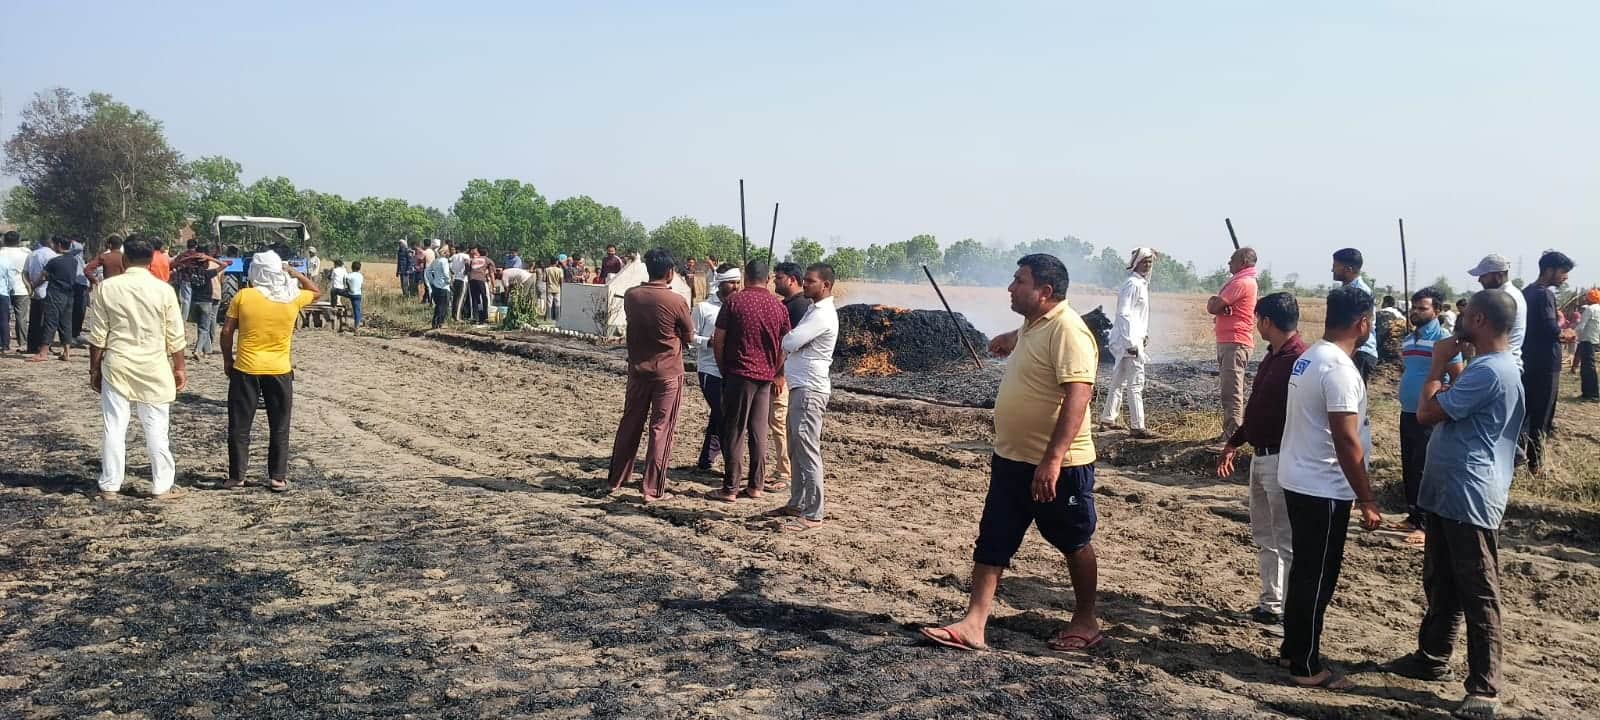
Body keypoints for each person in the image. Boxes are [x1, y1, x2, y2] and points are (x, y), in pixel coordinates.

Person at [921, 254, 1101, 653]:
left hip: (1060, 466)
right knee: (994, 539)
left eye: (1019, 281)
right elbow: (1031, 335)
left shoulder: (1070, 331)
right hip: (1011, 459)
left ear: (1045, 291)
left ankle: (1086, 619)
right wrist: (1010, 337)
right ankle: (974, 624)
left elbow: (1079, 396)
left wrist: (1052, 460)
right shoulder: (1035, 323)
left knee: (1074, 540)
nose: (1010, 287)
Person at [1384, 290, 1525, 720]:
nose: (1458, 321)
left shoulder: (1491, 372)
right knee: (1441, 581)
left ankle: (1484, 688)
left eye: (1465, 315)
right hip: (1450, 492)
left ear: (1479, 320)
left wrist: (1437, 365)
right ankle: (1432, 656)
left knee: (1478, 589)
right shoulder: (1485, 367)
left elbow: (1426, 414)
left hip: (1470, 494)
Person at [1277, 285, 1383, 691]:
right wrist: (1367, 497)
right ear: (1363, 323)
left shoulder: (1311, 357)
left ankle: (1292, 648)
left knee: (1306, 570)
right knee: (1316, 577)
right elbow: (1346, 438)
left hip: (1303, 478)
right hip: (1322, 487)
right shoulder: (1338, 369)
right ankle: (1305, 665)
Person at [1216, 292, 1309, 627]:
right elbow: (1258, 409)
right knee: (1266, 536)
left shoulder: (1299, 361)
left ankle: (1289, 613)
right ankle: (1270, 604)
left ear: (1267, 321)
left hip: (1283, 460)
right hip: (1262, 456)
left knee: (1286, 540)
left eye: (1258, 320)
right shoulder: (1274, 356)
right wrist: (1235, 442)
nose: (1256, 326)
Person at [84, 236, 188, 500]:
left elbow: (98, 337)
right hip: (154, 365)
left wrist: (94, 370)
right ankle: (162, 486)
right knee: (156, 428)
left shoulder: (107, 288)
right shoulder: (164, 290)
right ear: (152, 258)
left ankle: (109, 485)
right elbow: (175, 336)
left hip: (117, 363)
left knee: (114, 427)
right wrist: (179, 368)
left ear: (125, 258)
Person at [222, 251, 319, 492]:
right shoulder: (292, 298)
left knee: (240, 426)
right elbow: (316, 292)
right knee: (279, 425)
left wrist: (227, 360)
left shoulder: (243, 296)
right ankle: (277, 477)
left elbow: (226, 332)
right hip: (279, 370)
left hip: (246, 368)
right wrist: (295, 273)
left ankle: (237, 477)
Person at [606, 248, 693, 503]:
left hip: (637, 370)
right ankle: (652, 489)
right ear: (669, 273)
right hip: (667, 372)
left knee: (630, 422)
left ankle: (617, 479)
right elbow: (688, 335)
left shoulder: (632, 296)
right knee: (661, 429)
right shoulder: (676, 301)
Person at [764, 263, 839, 531]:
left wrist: (788, 338)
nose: (804, 284)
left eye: (810, 281)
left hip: (810, 389)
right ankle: (796, 502)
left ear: (826, 285)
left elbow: (790, 342)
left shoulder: (822, 315)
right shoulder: (812, 310)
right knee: (796, 448)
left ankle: (814, 513)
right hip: (801, 387)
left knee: (807, 450)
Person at [709, 260, 791, 503]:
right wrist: (774, 369)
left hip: (738, 375)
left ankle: (730, 487)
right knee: (759, 431)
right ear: (767, 279)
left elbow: (719, 339)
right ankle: (756, 485)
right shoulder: (779, 308)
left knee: (734, 431)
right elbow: (785, 346)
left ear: (746, 277)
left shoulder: (733, 302)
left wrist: (724, 369)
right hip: (764, 377)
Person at [1395, 287, 1463, 543]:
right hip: (1407, 411)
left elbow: (1457, 377)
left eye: (1422, 308)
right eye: (1414, 307)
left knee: (1425, 468)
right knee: (1410, 466)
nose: (1416, 312)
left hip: (1429, 414)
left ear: (1436, 311)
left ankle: (1424, 525)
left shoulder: (1444, 340)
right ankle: (1412, 515)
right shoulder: (1408, 340)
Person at [1520, 251, 1574, 473]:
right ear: (1549, 270)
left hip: (1527, 360)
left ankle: (1518, 459)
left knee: (1524, 414)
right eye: (1563, 272)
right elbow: (1551, 330)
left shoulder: (1526, 292)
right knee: (1541, 417)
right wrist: (1567, 332)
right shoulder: (1544, 295)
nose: (1565, 278)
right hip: (1545, 364)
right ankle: (1535, 466)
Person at [1099, 247, 1156, 437]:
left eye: (1150, 261)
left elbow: (1138, 316)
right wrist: (1131, 342)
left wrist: (1144, 334)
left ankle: (1107, 419)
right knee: (1136, 383)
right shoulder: (1133, 284)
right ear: (1136, 263)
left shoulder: (1140, 284)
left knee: (1118, 380)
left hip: (1131, 338)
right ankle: (1137, 426)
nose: (1147, 265)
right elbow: (1124, 314)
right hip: (1128, 341)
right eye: (1144, 261)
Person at [768, 262, 813, 491]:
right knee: (777, 423)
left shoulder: (799, 308)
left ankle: (785, 473)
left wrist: (780, 374)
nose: (775, 281)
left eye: (779, 277)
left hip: (786, 375)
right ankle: (781, 468)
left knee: (780, 422)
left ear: (792, 280)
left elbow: (790, 345)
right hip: (784, 372)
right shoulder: (787, 305)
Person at [1207, 246, 1259, 444]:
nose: (1229, 263)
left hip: (1235, 342)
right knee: (1229, 391)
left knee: (1232, 392)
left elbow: (1214, 306)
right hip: (1231, 342)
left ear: (1243, 262)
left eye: (1232, 260)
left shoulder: (1242, 282)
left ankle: (1232, 436)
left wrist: (1217, 303)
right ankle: (1229, 433)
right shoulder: (1244, 281)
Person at [693, 266, 740, 471]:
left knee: (719, 414)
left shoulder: (740, 306)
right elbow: (689, 337)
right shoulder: (703, 308)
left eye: (738, 282)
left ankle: (706, 460)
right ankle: (732, 463)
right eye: (732, 282)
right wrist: (708, 342)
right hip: (710, 369)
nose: (736, 286)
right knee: (723, 416)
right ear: (720, 283)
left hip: (732, 370)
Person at [1467, 254, 1525, 370]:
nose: (1479, 280)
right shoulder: (1512, 293)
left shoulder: (1503, 298)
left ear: (1498, 276)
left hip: (1499, 363)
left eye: (1483, 276)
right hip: (1501, 361)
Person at [1330, 248, 1380, 382]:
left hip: (1359, 351)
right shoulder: (1346, 290)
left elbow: (1359, 327)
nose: (1332, 270)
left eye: (1335, 266)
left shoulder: (1359, 292)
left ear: (1348, 269)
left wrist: (1351, 353)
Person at [29, 237, 77, 362]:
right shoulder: (73, 261)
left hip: (55, 293)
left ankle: (43, 353)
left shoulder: (54, 261)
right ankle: (67, 352)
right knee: (66, 322)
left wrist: (33, 286)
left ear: (59, 245)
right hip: (69, 294)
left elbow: (43, 277)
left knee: (50, 321)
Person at [182, 247, 227, 361]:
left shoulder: (191, 273)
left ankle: (207, 350)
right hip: (206, 303)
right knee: (204, 329)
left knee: (200, 327)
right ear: (205, 264)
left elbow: (180, 263)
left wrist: (192, 257)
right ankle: (197, 350)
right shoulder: (208, 273)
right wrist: (210, 257)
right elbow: (224, 265)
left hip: (194, 302)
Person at [24, 235, 60, 354]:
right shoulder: (53, 256)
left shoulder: (32, 254)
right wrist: (35, 284)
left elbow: (24, 273)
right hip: (47, 291)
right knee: (47, 321)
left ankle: (32, 346)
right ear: (50, 243)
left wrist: (30, 286)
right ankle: (44, 346)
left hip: (34, 292)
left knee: (34, 319)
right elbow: (47, 275)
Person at [1, 232, 29, 351]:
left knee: (3, 317)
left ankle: (4, 340)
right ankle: (22, 342)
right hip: (21, 288)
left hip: (4, 289)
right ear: (18, 241)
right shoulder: (26, 253)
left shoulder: (1, 253)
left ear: (5, 240)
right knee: (21, 317)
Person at [1574, 288, 1600, 400]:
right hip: (1594, 340)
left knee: (1587, 368)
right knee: (1590, 366)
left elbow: (1581, 326)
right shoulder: (1598, 309)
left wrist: (1572, 334)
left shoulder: (1589, 309)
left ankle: (1590, 394)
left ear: (1589, 298)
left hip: (1586, 340)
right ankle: (1590, 393)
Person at [424, 247, 453, 329]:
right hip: (443, 286)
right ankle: (440, 323)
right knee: (444, 306)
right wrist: (448, 281)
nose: (449, 253)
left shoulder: (435, 261)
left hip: (436, 286)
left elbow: (428, 271)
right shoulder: (444, 261)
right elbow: (446, 273)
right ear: (445, 253)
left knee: (438, 306)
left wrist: (432, 281)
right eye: (448, 252)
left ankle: (435, 323)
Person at [467, 247, 496, 323]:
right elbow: (491, 274)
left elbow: (468, 271)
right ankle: (484, 317)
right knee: (484, 298)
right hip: (480, 280)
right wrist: (494, 286)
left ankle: (475, 317)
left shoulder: (473, 260)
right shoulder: (488, 260)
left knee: (475, 299)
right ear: (487, 254)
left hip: (472, 280)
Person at [69, 239, 90, 344]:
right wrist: (73, 242)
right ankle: (71, 335)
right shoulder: (72, 252)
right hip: (75, 283)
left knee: (81, 310)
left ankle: (76, 333)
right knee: (74, 310)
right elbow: (79, 247)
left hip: (82, 283)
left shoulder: (79, 256)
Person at [449, 245, 471, 321]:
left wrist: (452, 272)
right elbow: (467, 264)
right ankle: (457, 317)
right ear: (467, 249)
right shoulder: (466, 256)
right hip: (463, 279)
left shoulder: (454, 256)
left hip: (455, 279)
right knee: (461, 298)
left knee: (455, 298)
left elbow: (449, 263)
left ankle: (453, 316)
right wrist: (466, 272)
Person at [345, 261, 365, 331]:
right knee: (357, 310)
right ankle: (357, 326)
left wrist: (348, 289)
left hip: (350, 293)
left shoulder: (349, 275)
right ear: (359, 268)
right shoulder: (361, 276)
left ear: (351, 267)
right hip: (358, 295)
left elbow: (346, 283)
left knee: (335, 291)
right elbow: (361, 286)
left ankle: (335, 304)